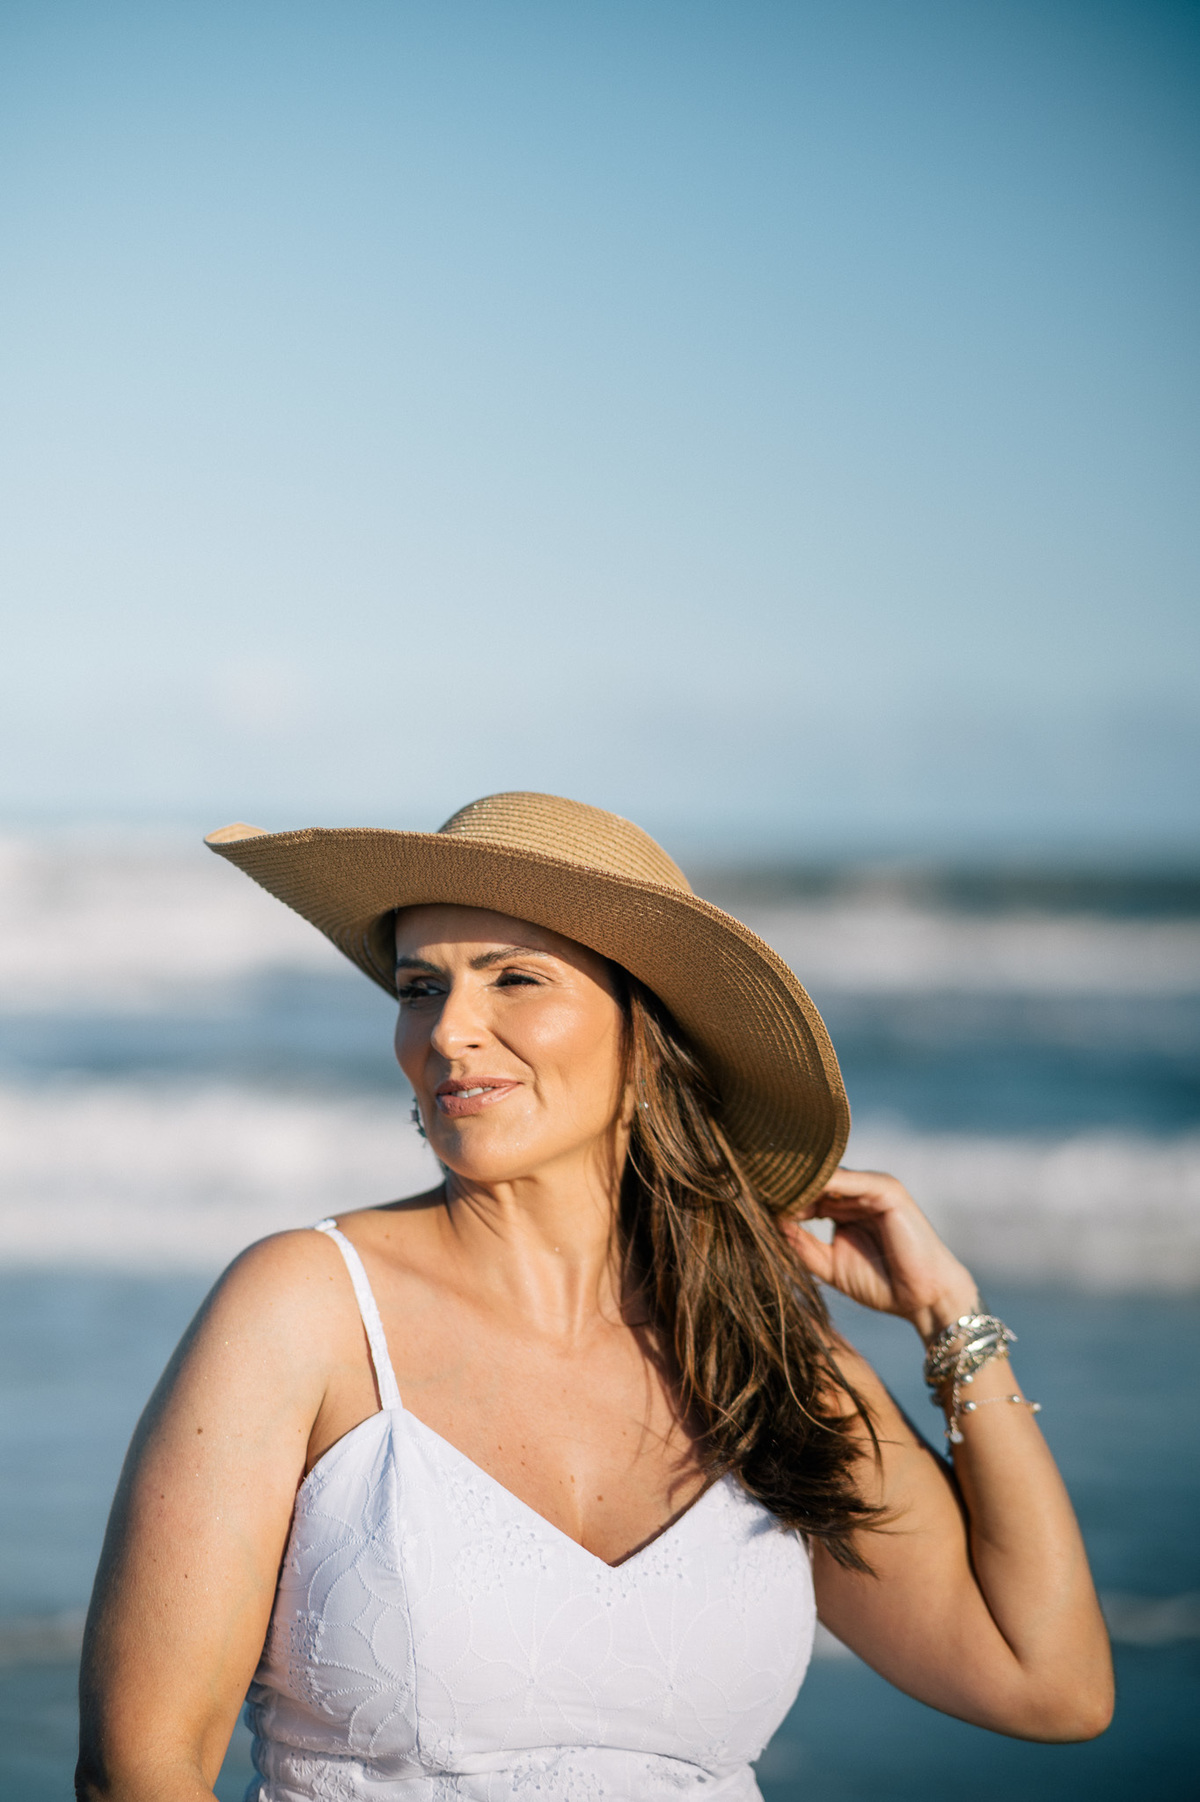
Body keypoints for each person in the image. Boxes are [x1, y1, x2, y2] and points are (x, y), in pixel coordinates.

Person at [76, 792, 1113, 1802]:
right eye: (419, 988)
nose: (449, 1032)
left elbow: (1046, 1682)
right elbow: (138, 1768)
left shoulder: (763, 1355)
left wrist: (953, 1323)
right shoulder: (304, 1305)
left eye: (514, 978)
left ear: (646, 1033)